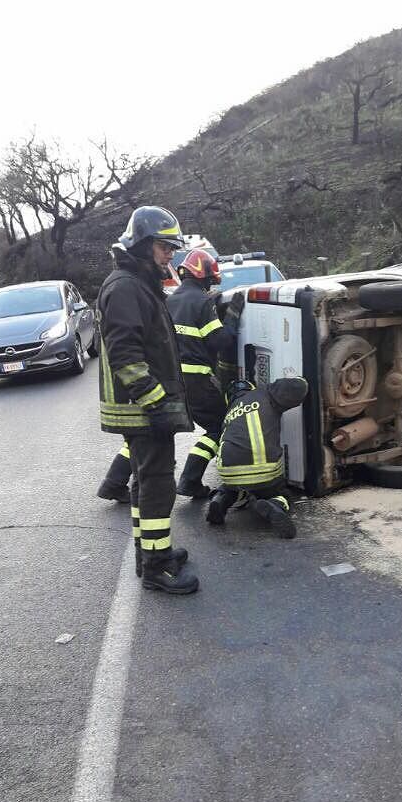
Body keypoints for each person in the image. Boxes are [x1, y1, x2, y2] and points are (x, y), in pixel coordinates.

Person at [97, 206, 199, 594]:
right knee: (157, 484)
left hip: (141, 408)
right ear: (141, 245)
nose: (169, 255)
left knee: (144, 480)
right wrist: (155, 403)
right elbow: (125, 354)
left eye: (171, 248)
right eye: (162, 247)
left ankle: (149, 552)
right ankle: (158, 567)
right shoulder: (125, 286)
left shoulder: (136, 283)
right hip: (143, 409)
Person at [166, 249, 245, 498]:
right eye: (211, 280)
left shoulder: (170, 300)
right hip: (197, 380)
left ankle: (117, 480)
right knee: (219, 427)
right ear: (206, 277)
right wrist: (232, 316)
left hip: (173, 380)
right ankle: (190, 480)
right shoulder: (202, 302)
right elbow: (219, 342)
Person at [206, 376, 308, 538]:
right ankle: (275, 504)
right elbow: (296, 388)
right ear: (250, 388)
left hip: (228, 472)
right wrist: (300, 378)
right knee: (280, 493)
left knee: (234, 488)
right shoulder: (265, 394)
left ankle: (221, 500)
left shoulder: (230, 412)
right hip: (264, 469)